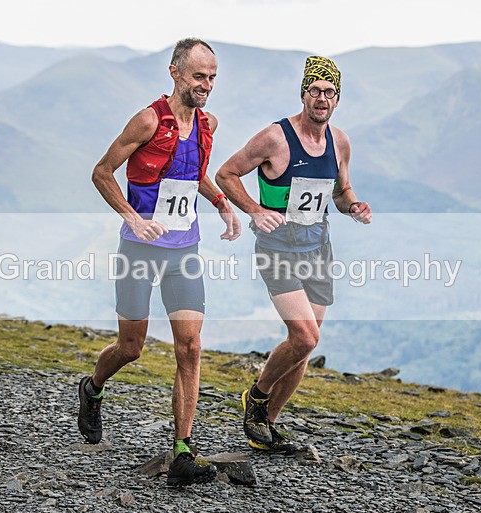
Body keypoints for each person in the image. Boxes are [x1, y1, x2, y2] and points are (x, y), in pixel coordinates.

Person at [77, 38, 241, 486]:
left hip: (183, 251)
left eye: (212, 78)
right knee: (131, 347)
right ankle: (92, 388)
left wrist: (222, 203)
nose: (206, 85)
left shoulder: (208, 124)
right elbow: (101, 172)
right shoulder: (148, 119)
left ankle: (183, 451)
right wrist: (134, 217)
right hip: (139, 249)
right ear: (175, 73)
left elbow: (192, 173)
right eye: (198, 77)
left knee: (189, 347)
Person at [215, 55, 372, 452]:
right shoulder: (275, 137)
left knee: (305, 347)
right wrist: (254, 209)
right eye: (315, 90)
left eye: (329, 92)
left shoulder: (339, 141)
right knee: (304, 337)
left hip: (318, 247)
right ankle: (257, 396)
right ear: (303, 94)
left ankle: (266, 427)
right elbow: (226, 174)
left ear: (337, 99)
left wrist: (353, 205)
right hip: (278, 249)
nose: (322, 98)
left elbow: (340, 191)